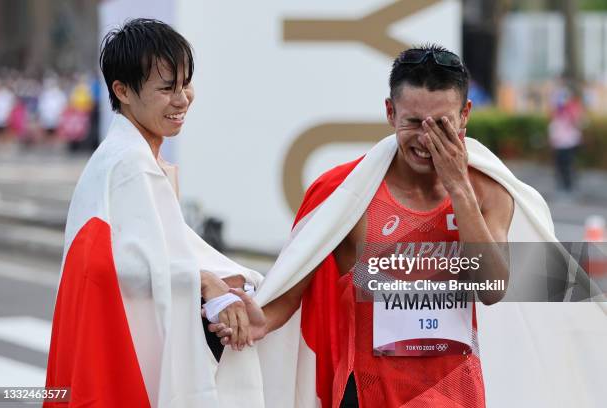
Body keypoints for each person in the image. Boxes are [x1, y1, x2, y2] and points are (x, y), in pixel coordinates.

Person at [211, 44, 513, 407]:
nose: (425, 140)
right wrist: (259, 321)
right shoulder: (346, 195)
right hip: (369, 395)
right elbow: (289, 292)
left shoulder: (487, 191)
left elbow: (492, 288)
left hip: (454, 396)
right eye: (413, 122)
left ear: (465, 114)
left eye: (442, 125)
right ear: (389, 112)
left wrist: (458, 187)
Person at [45, 19, 264, 407]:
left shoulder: (123, 154)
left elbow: (161, 247)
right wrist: (206, 282)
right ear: (123, 91)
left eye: (185, 85)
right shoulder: (130, 162)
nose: (182, 100)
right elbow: (122, 265)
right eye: (167, 88)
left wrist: (225, 279)